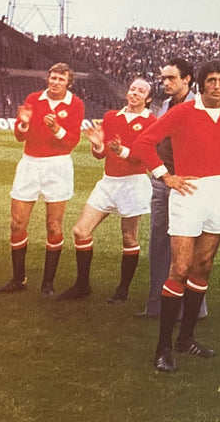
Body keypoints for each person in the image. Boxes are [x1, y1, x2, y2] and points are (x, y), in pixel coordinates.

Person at [131, 59, 220, 372]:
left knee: (204, 265)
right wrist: (165, 176)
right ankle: (163, 348)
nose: (217, 86)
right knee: (180, 268)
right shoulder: (183, 112)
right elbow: (144, 143)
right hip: (187, 192)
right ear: (200, 83)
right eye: (211, 80)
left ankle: (186, 339)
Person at [56, 77, 156, 302]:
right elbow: (100, 155)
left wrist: (122, 151)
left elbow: (145, 160)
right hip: (108, 182)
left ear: (148, 98)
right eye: (132, 89)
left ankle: (122, 291)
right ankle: (82, 285)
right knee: (81, 231)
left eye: (141, 91)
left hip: (134, 183)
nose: (134, 93)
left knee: (129, 237)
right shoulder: (111, 116)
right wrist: (97, 144)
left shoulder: (152, 122)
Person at [0, 63, 84, 296]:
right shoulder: (34, 98)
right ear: (48, 78)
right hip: (30, 164)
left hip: (58, 166)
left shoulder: (75, 104)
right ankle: (18, 279)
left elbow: (72, 141)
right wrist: (23, 122)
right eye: (52, 78)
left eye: (60, 79)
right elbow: (18, 135)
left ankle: (47, 283)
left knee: (53, 225)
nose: (55, 82)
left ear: (69, 83)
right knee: (17, 222)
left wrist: (55, 128)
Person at [137, 59, 206, 322]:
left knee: (188, 245)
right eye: (163, 78)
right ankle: (156, 304)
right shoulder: (165, 105)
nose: (166, 83)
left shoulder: (199, 107)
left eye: (172, 78)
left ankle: (194, 309)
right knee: (159, 242)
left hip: (187, 182)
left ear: (187, 79)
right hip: (163, 180)